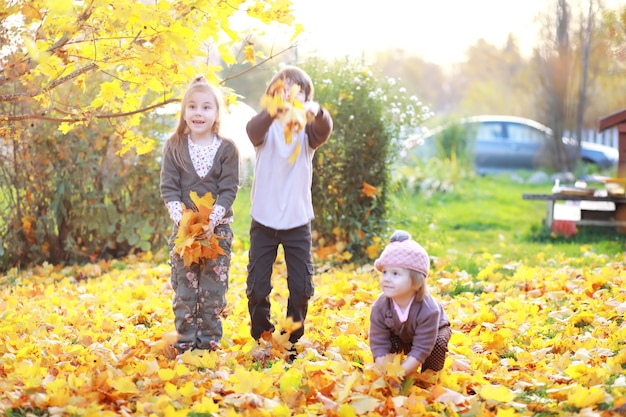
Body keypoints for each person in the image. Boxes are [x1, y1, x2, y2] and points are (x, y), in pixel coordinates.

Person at [245, 65, 333, 354]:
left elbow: (324, 128)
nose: (288, 99)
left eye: (297, 94)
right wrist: (274, 110)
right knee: (258, 286)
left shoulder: (307, 135)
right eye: (282, 92)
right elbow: (251, 131)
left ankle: (289, 337)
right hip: (264, 221)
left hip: (297, 221)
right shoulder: (265, 130)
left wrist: (317, 111)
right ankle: (263, 335)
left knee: (302, 286)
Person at [160, 75, 240, 354]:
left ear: (217, 113)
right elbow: (169, 187)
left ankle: (208, 345)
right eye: (192, 106)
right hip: (184, 232)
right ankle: (185, 344)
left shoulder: (227, 149)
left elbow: (229, 189)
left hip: (217, 232)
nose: (198, 112)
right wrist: (185, 221)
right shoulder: (174, 146)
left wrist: (211, 220)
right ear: (184, 111)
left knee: (212, 292)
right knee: (184, 290)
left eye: (207, 107)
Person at [369, 230, 451, 377]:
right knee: (389, 343)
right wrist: (388, 372)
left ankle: (429, 375)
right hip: (401, 335)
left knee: (437, 345)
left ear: (416, 281)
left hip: (434, 332)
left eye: (395, 274)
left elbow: (421, 348)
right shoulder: (380, 306)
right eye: (385, 272)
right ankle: (392, 369)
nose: (387, 278)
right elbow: (379, 342)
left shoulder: (429, 309)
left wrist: (402, 373)